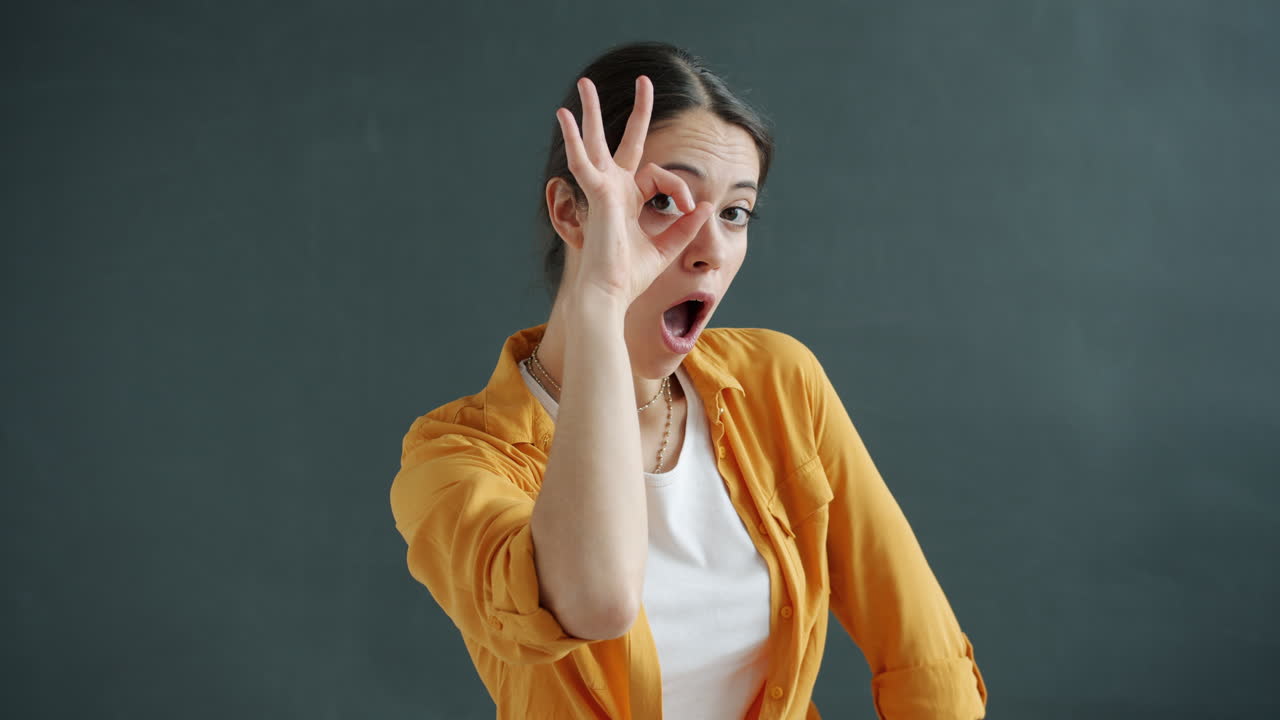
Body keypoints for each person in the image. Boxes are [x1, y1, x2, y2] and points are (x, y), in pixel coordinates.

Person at [389, 40, 988, 720]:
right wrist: (602, 298)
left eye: (734, 212)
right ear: (570, 212)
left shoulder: (778, 383)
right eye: (665, 204)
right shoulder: (452, 460)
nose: (709, 251)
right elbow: (594, 601)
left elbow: (923, 656)